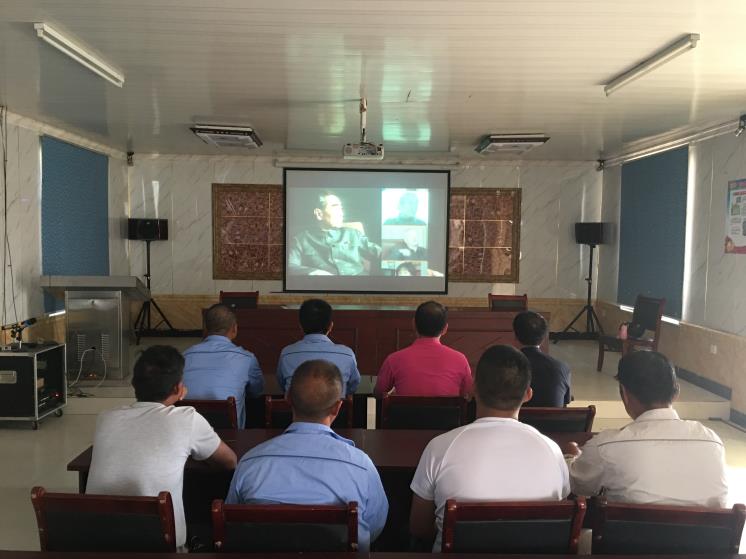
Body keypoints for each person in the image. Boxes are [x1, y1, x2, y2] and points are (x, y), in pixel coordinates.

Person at [409, 345, 570, 551]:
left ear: (473, 388)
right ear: (528, 394)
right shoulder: (552, 450)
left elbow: (419, 527)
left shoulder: (439, 447)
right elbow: (558, 523)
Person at [226, 360, 388, 551]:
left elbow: (233, 523)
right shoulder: (361, 466)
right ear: (337, 407)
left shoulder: (250, 462)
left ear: (288, 399)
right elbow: (374, 527)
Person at [86, 345, 237, 551]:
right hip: (160, 546)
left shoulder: (106, 417)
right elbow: (229, 461)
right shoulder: (187, 418)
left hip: (99, 544)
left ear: (134, 384)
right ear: (177, 389)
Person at [566, 351, 728, 507]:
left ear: (624, 394)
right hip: (705, 528)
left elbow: (577, 485)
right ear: (676, 392)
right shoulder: (712, 441)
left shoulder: (607, 446)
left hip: (628, 528)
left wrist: (572, 456)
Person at [183, 304, 264, 428]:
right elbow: (257, 392)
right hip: (229, 434)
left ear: (205, 329)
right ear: (234, 329)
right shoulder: (246, 358)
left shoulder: (184, 356)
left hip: (188, 431)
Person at [374, 301, 472, 398]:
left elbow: (378, 393)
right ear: (445, 329)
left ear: (414, 324)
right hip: (448, 409)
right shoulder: (460, 360)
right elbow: (468, 395)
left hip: (407, 409)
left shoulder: (393, 359)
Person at [277, 298, 361, 395]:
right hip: (337, 404)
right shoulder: (347, 354)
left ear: (300, 326)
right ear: (330, 326)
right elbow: (353, 387)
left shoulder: (286, 353)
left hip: (296, 405)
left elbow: (283, 385)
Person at [288, 191, 381, 276]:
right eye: (335, 207)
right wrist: (313, 272)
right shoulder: (300, 239)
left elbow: (378, 251)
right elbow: (290, 265)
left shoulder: (353, 233)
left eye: (341, 208)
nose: (341, 213)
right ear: (319, 214)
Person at [513, 311, 571, 407]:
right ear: (544, 338)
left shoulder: (503, 368)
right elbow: (564, 402)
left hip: (517, 416)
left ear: (515, 336)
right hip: (552, 417)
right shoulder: (561, 368)